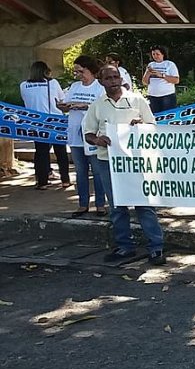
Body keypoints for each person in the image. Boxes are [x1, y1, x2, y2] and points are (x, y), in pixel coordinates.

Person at [83, 65, 165, 266]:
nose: (113, 81)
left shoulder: (137, 100)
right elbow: (88, 133)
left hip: (136, 161)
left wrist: (141, 126)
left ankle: (156, 248)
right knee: (117, 206)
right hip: (108, 161)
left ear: (121, 78)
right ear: (101, 82)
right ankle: (124, 246)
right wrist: (97, 140)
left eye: (115, 77)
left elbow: (153, 126)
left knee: (144, 204)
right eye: (108, 78)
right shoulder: (97, 105)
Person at [58, 55, 106, 218]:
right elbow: (66, 104)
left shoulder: (99, 87)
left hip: (93, 135)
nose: (78, 74)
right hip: (75, 133)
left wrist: (85, 106)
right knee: (80, 171)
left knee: (97, 171)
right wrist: (64, 106)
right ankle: (83, 204)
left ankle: (100, 204)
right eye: (75, 72)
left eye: (80, 71)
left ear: (90, 70)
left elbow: (103, 108)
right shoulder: (74, 86)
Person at [19, 61, 70, 190]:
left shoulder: (23, 85)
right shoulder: (52, 83)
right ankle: (65, 180)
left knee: (41, 151)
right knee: (60, 151)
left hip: (35, 122)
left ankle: (42, 181)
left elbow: (26, 102)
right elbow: (62, 99)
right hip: (54, 120)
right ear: (45, 71)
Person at [142, 45, 180, 114]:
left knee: (168, 115)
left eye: (157, 54)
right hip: (153, 96)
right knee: (154, 116)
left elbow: (176, 80)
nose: (155, 56)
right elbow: (144, 82)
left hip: (167, 96)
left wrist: (162, 75)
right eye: (153, 54)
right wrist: (148, 73)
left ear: (163, 54)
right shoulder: (151, 65)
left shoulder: (170, 64)